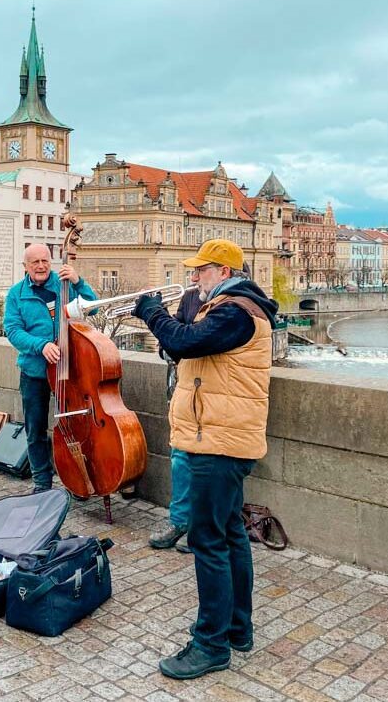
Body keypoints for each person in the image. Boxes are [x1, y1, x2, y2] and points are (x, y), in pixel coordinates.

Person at [133, 239, 278, 680]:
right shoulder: (229, 309)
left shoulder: (236, 311)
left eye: (200, 271)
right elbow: (184, 348)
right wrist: (170, 331)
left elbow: (185, 339)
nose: (194, 278)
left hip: (219, 440)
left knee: (208, 542)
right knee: (230, 533)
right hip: (217, 436)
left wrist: (150, 311)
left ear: (221, 270)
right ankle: (238, 628)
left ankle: (210, 644)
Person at [3, 244, 97, 493]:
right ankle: (42, 483)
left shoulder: (63, 284)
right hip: (34, 372)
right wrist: (41, 345)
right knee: (35, 430)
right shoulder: (16, 294)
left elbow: (94, 306)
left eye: (45, 260)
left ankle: (77, 479)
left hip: (69, 371)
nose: (41, 266)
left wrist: (78, 282)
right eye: (35, 262)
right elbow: (13, 331)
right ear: (25, 266)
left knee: (76, 426)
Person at [148, 285, 202, 553]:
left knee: (208, 467)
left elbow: (192, 341)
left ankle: (201, 528)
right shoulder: (191, 296)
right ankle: (179, 523)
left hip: (211, 398)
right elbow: (173, 343)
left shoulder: (231, 306)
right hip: (184, 390)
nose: (193, 279)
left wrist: (158, 318)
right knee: (179, 459)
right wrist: (164, 329)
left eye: (200, 271)